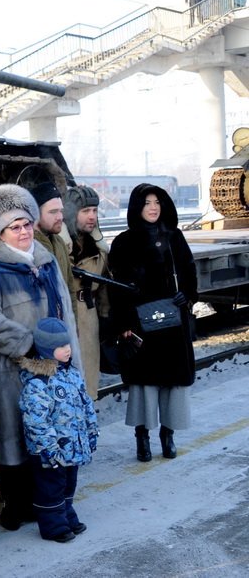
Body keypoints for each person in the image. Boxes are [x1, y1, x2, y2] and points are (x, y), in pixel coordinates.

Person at [0, 184, 80, 533]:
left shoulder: (46, 262)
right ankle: (15, 506)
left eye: (27, 224)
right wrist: (28, 345)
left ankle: (45, 504)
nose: (23, 231)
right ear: (0, 233)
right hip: (11, 369)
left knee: (48, 433)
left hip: (52, 369)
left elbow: (66, 313)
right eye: (14, 227)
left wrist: (70, 358)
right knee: (14, 436)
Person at [107, 184, 198, 462]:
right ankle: (142, 437)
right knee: (144, 384)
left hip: (173, 323)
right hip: (140, 324)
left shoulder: (174, 236)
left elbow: (189, 270)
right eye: (147, 203)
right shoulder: (123, 242)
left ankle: (168, 435)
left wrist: (188, 295)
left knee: (173, 382)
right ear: (137, 207)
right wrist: (123, 324)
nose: (153, 208)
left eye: (157, 202)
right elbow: (116, 289)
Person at [18, 318, 98, 543]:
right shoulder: (38, 383)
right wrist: (49, 447)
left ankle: (66, 514)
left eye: (68, 344)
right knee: (51, 487)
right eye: (61, 346)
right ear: (46, 350)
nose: (67, 349)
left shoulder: (72, 373)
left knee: (69, 483)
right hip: (50, 450)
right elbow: (36, 421)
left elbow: (85, 403)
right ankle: (53, 526)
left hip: (72, 444)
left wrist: (91, 430)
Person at [64, 185, 111, 398]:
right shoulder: (60, 245)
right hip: (67, 316)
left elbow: (104, 288)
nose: (92, 216)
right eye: (85, 211)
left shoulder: (97, 246)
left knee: (88, 385)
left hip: (89, 316)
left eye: (94, 210)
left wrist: (106, 317)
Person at [29, 181, 72, 289]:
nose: (60, 217)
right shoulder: (26, 246)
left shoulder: (60, 242)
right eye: (53, 212)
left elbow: (69, 287)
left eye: (60, 211)